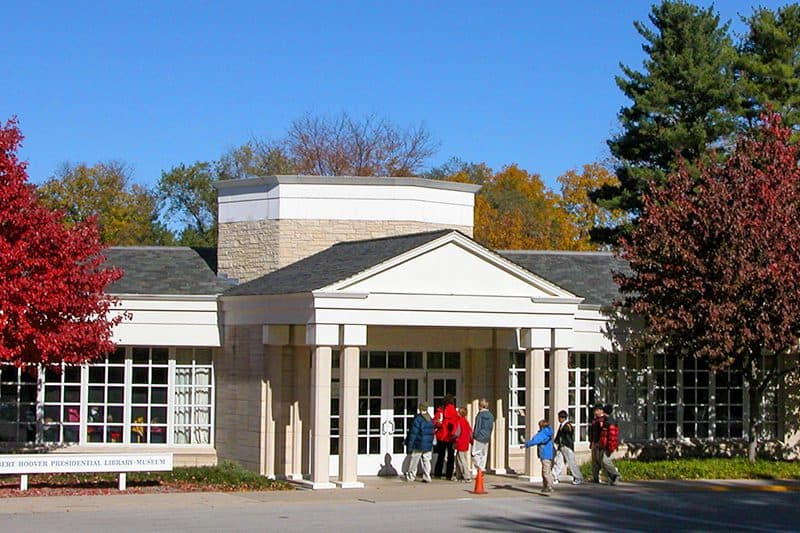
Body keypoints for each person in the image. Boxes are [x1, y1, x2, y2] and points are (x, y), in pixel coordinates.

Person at [520, 419, 555, 494]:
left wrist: (526, 444)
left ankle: (549, 486)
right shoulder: (548, 432)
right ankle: (545, 486)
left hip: (545, 454)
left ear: (542, 426)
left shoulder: (543, 433)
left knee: (546, 471)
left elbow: (535, 440)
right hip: (548, 454)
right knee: (545, 471)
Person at [589, 404, 621, 485]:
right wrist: (592, 442)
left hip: (604, 444)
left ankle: (615, 475)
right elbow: (594, 432)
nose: (595, 412)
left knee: (604, 461)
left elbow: (611, 435)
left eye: (596, 410)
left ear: (601, 410)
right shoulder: (597, 420)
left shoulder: (608, 421)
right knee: (596, 461)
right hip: (598, 442)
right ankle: (597, 478)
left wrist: (611, 446)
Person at [404, 401, 435, 482]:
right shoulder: (430, 419)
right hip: (428, 444)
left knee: (414, 460)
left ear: (420, 408)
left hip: (419, 443)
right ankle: (427, 476)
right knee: (426, 460)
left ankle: (411, 476)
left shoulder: (418, 419)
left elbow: (413, 433)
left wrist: (409, 444)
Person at [552, 410, 584, 485]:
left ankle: (578, 477)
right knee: (559, 461)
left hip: (566, 446)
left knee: (571, 462)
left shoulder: (568, 426)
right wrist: (556, 441)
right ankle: (554, 476)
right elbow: (559, 435)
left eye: (559, 417)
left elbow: (569, 437)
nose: (558, 419)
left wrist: (566, 445)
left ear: (562, 418)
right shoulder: (562, 425)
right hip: (561, 446)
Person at [433, 394, 458, 479]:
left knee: (441, 455)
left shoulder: (440, 410)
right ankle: (449, 474)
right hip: (450, 436)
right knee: (451, 456)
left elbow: (435, 422)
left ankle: (438, 473)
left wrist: (439, 425)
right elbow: (456, 424)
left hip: (442, 435)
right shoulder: (454, 411)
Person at [471, 398, 494, 472]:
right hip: (487, 437)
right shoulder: (491, 415)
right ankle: (482, 468)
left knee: (474, 454)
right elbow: (491, 427)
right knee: (484, 454)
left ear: (480, 406)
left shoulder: (480, 415)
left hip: (479, 436)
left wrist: (474, 435)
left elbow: (478, 426)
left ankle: (479, 468)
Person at [453, 407, 473, 482]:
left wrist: (453, 437)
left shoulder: (460, 421)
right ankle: (458, 475)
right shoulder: (466, 422)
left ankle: (467, 476)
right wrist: (471, 441)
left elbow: (457, 433)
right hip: (466, 443)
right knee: (460, 459)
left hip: (460, 442)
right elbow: (470, 433)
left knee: (461, 460)